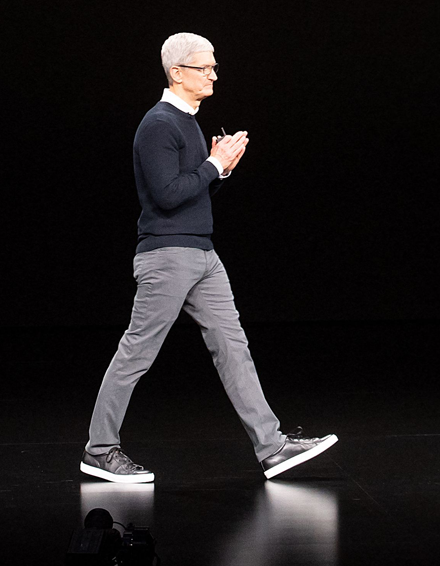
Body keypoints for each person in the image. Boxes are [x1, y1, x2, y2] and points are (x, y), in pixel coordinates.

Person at [80, 32, 336, 483]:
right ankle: (99, 450)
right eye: (206, 67)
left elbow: (191, 194)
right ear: (177, 73)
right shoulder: (159, 124)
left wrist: (221, 171)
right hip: (167, 255)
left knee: (233, 347)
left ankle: (272, 447)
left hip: (201, 252)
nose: (214, 74)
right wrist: (213, 165)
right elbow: (166, 195)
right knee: (137, 352)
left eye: (214, 66)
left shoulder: (189, 123)